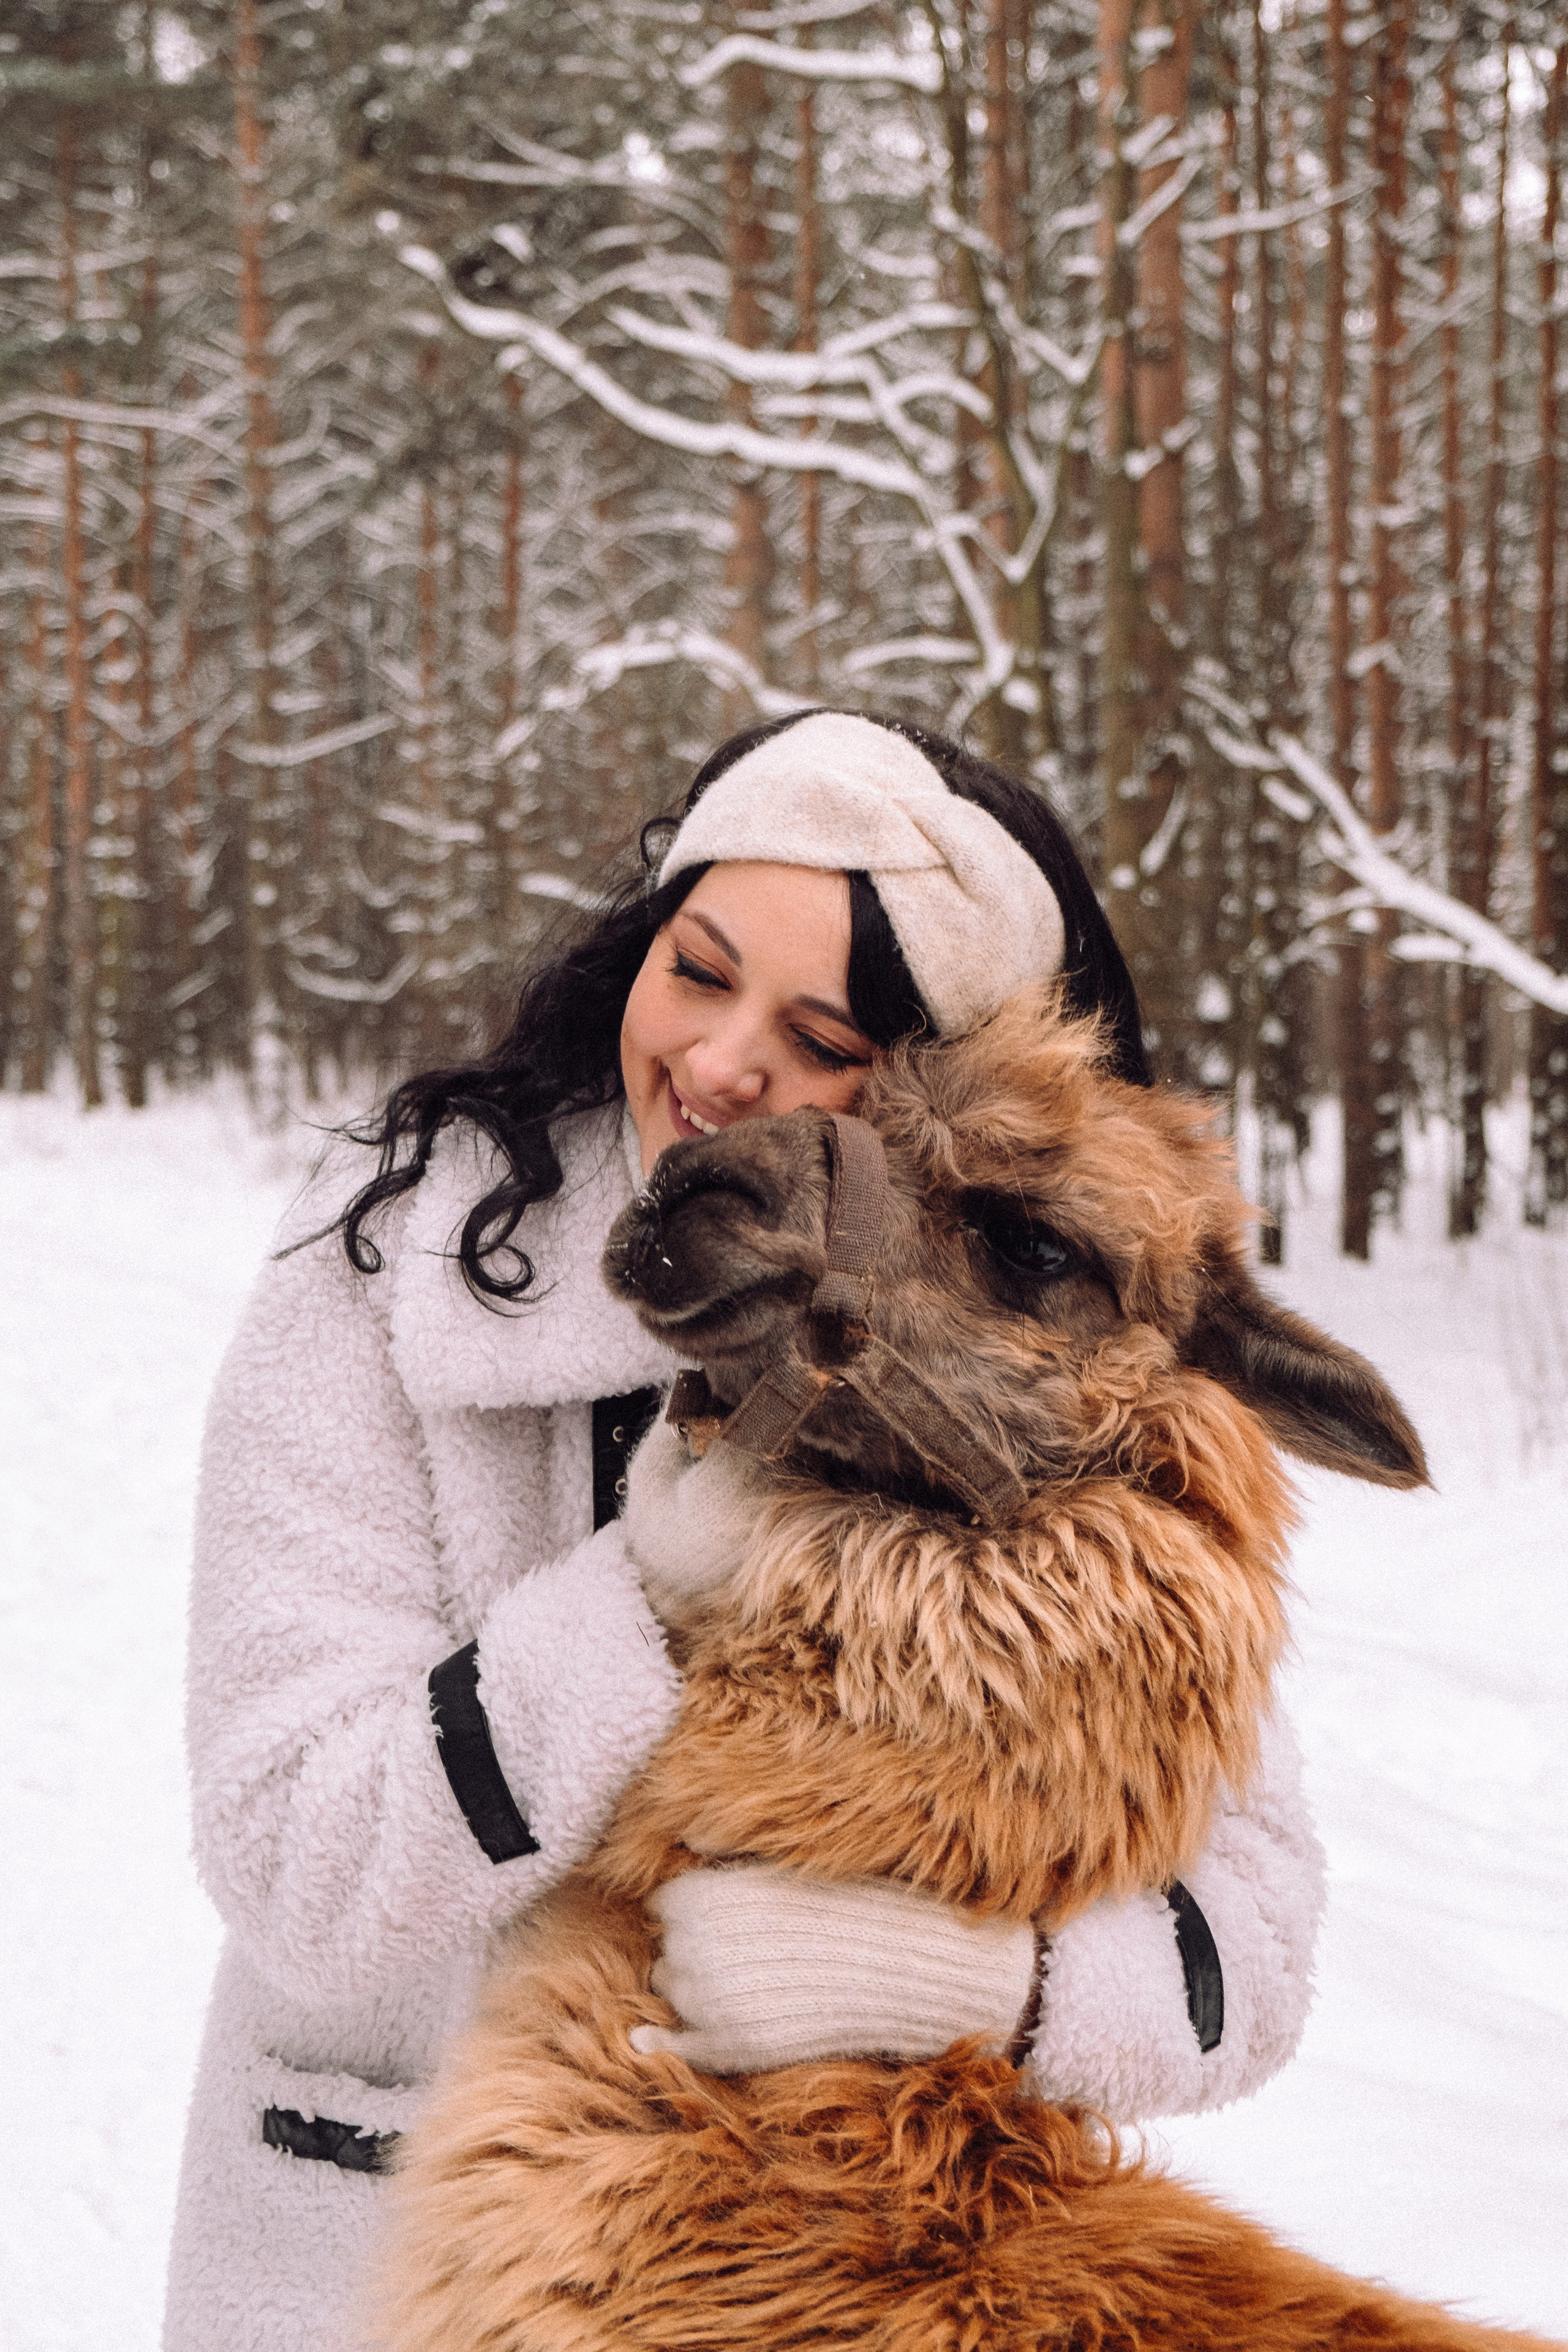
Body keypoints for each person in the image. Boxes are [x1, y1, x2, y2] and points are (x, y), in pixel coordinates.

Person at [162, 709, 1325, 2352]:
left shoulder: (1051, 1381)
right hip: (370, 2258)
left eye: (822, 1033)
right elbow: (287, 1852)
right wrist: (639, 1598)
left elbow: (1253, 1946)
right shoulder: (391, 1273)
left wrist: (1000, 1992)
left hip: (811, 2291)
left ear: (949, 1091)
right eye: (696, 970)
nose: (718, 1065)